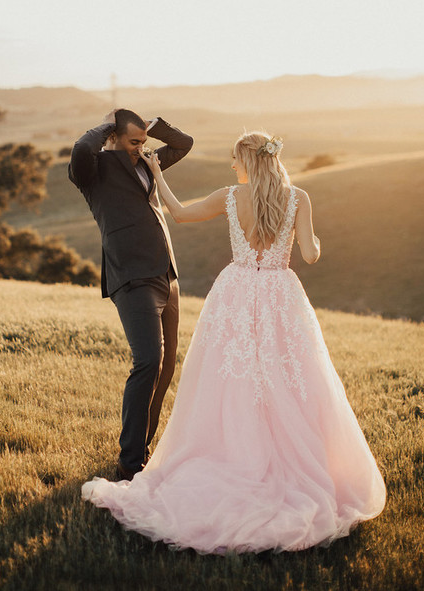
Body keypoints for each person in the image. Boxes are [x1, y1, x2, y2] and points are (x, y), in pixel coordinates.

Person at [81, 131, 386, 554]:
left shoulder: (230, 196)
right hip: (281, 296)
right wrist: (313, 242)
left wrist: (155, 173)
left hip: (237, 294)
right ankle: (287, 459)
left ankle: (234, 453)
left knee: (232, 379)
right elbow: (312, 254)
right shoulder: (299, 197)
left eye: (234, 160)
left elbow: (181, 214)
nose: (231, 167)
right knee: (290, 378)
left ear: (247, 163)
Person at [68, 108, 193, 480]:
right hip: (132, 277)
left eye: (144, 142)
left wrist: (152, 128)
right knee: (147, 362)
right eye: (133, 141)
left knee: (167, 363)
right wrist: (108, 124)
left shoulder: (146, 160)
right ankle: (129, 461)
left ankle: (143, 447)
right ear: (113, 138)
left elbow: (184, 144)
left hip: (166, 274)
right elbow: (79, 149)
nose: (141, 148)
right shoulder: (94, 170)